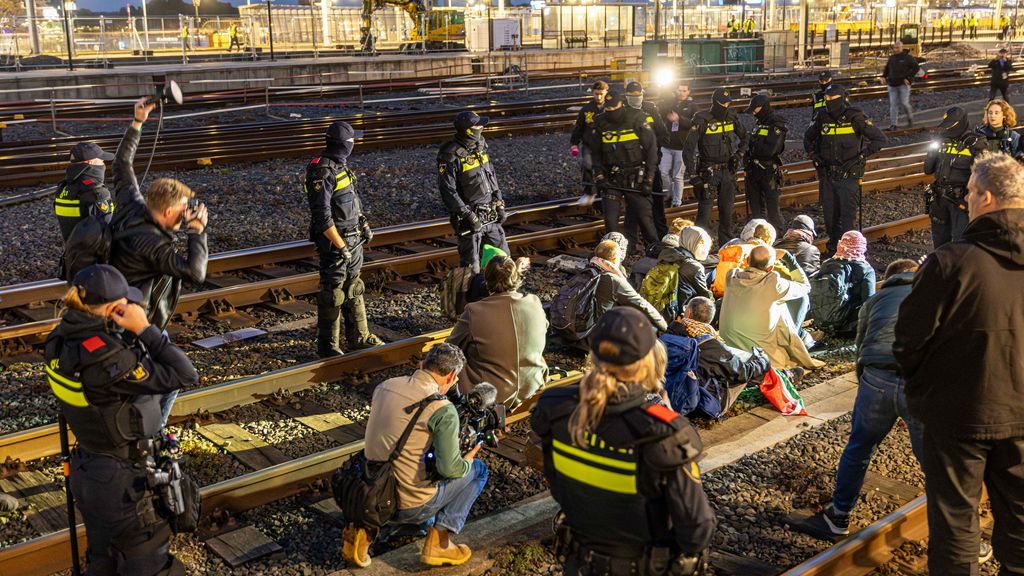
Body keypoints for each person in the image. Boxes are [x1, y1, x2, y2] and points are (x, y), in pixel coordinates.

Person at [894, 151, 1024, 575]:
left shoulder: (951, 262)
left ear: (985, 196)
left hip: (957, 415)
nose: (966, 200)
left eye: (969, 192)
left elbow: (908, 341)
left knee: (954, 526)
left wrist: (923, 390)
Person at [531, 307, 716, 576]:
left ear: (593, 355)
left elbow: (559, 484)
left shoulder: (554, 408)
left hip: (580, 563)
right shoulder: (665, 432)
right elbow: (697, 530)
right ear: (647, 360)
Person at [45, 264, 198, 575]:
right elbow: (186, 373)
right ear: (115, 308)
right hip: (126, 486)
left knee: (103, 561)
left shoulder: (58, 341)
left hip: (88, 472)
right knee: (148, 563)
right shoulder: (109, 357)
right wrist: (145, 329)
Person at [799, 259, 924, 540]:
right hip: (918, 381)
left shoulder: (874, 301)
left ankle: (839, 516)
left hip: (876, 378)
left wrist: (866, 384)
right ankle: (958, 525)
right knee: (936, 457)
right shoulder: (931, 293)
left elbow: (861, 347)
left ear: (889, 278)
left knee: (859, 447)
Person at [108, 98, 208, 427]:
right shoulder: (153, 245)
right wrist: (197, 231)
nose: (187, 213)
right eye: (183, 211)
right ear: (167, 213)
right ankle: (152, 435)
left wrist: (137, 122)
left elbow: (122, 165)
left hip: (116, 305)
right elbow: (196, 272)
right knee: (170, 379)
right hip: (136, 321)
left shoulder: (131, 202)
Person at [352, 343, 489, 568]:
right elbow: (449, 469)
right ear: (452, 375)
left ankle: (362, 533)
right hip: (407, 505)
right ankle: (440, 544)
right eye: (455, 380)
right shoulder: (442, 409)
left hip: (370, 492)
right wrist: (467, 461)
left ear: (422, 364)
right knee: (479, 471)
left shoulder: (385, 386)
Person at [305, 121, 384, 358]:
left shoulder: (341, 167)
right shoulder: (322, 171)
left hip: (353, 239)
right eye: (352, 140)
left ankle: (359, 337)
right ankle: (328, 346)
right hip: (336, 243)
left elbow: (352, 200)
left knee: (354, 287)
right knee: (333, 292)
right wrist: (340, 246)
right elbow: (322, 216)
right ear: (343, 144)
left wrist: (363, 224)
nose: (355, 144)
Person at [446, 255, 548, 411]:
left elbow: (450, 347)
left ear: (486, 281)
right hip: (531, 382)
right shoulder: (534, 302)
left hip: (489, 392)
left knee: (456, 357)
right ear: (516, 278)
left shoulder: (475, 311)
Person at [803, 84, 887, 254]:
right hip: (827, 174)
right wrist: (813, 155)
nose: (828, 102)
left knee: (847, 217)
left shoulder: (854, 117)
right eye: (826, 99)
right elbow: (808, 138)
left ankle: (849, 251)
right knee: (830, 217)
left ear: (842, 99)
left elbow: (880, 139)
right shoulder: (822, 117)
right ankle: (833, 249)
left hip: (849, 175)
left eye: (832, 99)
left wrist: (861, 157)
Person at [663, 296, 773, 418]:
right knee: (747, 364)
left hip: (666, 394)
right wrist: (764, 361)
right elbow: (742, 372)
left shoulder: (668, 334)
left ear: (687, 313)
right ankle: (782, 376)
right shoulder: (711, 345)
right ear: (710, 319)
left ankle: (784, 374)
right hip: (699, 404)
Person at [720, 246, 824, 370]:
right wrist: (789, 259)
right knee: (797, 299)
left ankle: (801, 335)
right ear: (770, 267)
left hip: (730, 349)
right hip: (761, 355)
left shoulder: (731, 277)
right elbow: (805, 287)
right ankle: (799, 335)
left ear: (747, 260)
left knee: (777, 304)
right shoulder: (774, 283)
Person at [551, 240, 667, 345]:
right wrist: (665, 326)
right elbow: (641, 304)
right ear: (614, 259)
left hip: (569, 327)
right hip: (592, 334)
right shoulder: (613, 279)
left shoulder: (587, 270)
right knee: (651, 329)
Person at [438, 111, 509, 274]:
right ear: (468, 130)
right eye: (478, 124)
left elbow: (491, 176)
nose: (482, 127)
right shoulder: (450, 154)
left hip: (491, 215)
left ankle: (501, 296)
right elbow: (447, 190)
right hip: (470, 220)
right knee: (471, 269)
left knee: (504, 261)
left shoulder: (481, 146)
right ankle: (472, 298)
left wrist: (499, 203)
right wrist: (467, 215)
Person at [589, 92, 659, 251]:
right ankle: (611, 256)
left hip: (635, 177)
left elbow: (651, 150)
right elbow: (595, 153)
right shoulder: (600, 123)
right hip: (611, 179)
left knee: (645, 219)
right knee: (611, 222)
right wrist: (599, 176)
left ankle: (655, 252)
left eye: (614, 107)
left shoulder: (637, 118)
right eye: (607, 108)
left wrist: (649, 179)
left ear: (621, 104)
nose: (610, 110)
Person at [685, 88, 749, 246]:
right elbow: (688, 148)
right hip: (709, 172)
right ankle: (697, 247)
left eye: (728, 103)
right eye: (723, 103)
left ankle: (725, 245)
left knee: (726, 211)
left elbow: (745, 137)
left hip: (728, 171)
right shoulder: (701, 119)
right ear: (715, 102)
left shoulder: (731, 117)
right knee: (704, 213)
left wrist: (739, 154)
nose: (726, 106)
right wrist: (693, 176)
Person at [924, 107, 986, 248]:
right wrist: (932, 152)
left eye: (951, 126)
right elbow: (927, 169)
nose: (948, 130)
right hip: (939, 199)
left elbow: (983, 174)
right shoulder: (941, 141)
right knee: (939, 242)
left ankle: (959, 269)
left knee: (960, 242)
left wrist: (971, 195)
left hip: (961, 200)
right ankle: (941, 268)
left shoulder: (975, 142)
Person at [54, 141, 115, 278]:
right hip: (98, 267)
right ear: (91, 162)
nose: (103, 164)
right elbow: (107, 231)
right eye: (101, 160)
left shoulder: (63, 189)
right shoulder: (97, 193)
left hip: (73, 260)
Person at [809, 231, 876, 336]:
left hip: (823, 323)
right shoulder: (866, 270)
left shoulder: (827, 264)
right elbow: (869, 301)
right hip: (849, 327)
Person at [743, 93, 788, 233]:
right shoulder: (759, 123)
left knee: (773, 211)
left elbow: (771, 149)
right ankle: (760, 238)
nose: (754, 113)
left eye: (755, 110)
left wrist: (755, 152)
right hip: (753, 171)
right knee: (756, 211)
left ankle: (779, 236)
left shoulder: (776, 123)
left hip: (768, 172)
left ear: (763, 107)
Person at [570, 81, 608, 204]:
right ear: (592, 93)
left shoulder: (611, 108)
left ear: (606, 92)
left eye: (601, 94)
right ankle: (589, 192)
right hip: (589, 144)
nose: (599, 97)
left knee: (606, 168)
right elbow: (579, 127)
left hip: (606, 145)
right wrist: (574, 143)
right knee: (586, 165)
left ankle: (606, 192)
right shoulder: (586, 110)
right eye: (596, 94)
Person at [660, 81, 695, 207]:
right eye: (679, 90)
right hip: (667, 145)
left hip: (682, 147)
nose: (681, 93)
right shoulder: (670, 103)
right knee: (663, 172)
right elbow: (660, 112)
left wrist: (679, 119)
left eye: (684, 90)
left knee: (677, 176)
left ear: (688, 92)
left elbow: (694, 124)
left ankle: (677, 202)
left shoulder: (692, 106)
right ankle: (670, 193)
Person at [881, 41, 919, 129]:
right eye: (895, 48)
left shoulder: (908, 58)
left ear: (902, 47)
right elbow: (887, 69)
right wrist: (883, 77)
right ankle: (894, 124)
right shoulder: (892, 58)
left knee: (904, 103)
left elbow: (916, 68)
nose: (896, 49)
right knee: (893, 105)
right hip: (892, 84)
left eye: (898, 47)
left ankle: (910, 118)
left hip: (903, 85)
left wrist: (908, 78)